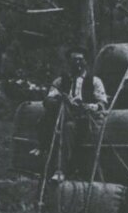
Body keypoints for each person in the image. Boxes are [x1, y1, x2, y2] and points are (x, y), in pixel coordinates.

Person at [41, 47, 108, 179]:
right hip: (64, 116)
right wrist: (61, 99)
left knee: (69, 126)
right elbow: (49, 99)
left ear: (85, 62)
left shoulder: (94, 81)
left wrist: (89, 106)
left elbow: (102, 103)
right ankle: (58, 168)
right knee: (67, 124)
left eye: (80, 60)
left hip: (85, 119)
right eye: (73, 60)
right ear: (68, 63)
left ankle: (61, 169)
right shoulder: (60, 81)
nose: (77, 63)